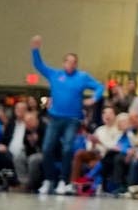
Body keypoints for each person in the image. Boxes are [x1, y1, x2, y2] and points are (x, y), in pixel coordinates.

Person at [27, 37, 102, 195]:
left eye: (74, 62)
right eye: (68, 61)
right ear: (63, 63)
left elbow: (99, 86)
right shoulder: (55, 75)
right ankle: (49, 180)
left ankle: (64, 181)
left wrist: (94, 98)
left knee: (68, 149)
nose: (71, 64)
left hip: (72, 120)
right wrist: (35, 50)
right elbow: (39, 65)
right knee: (47, 148)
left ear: (76, 64)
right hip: (55, 118)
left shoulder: (82, 77)